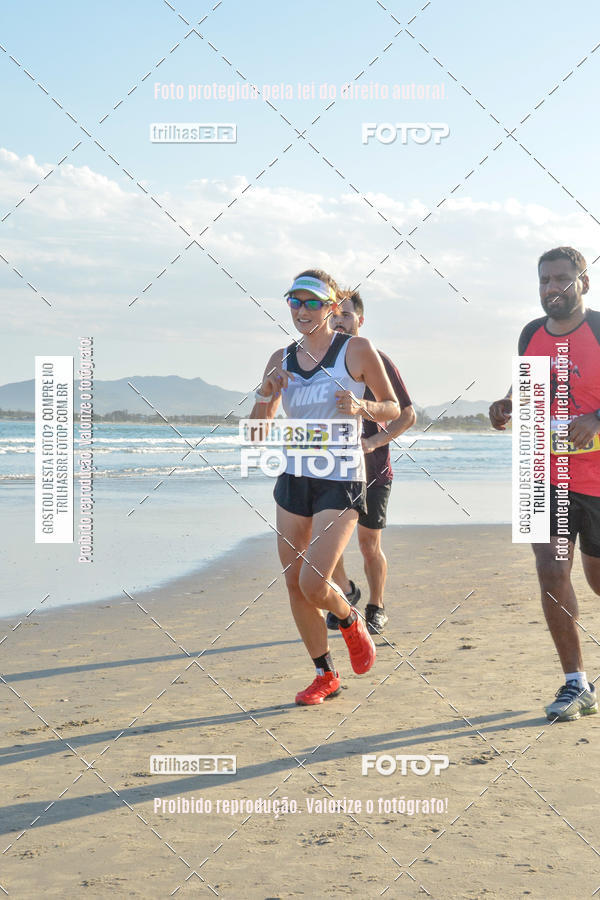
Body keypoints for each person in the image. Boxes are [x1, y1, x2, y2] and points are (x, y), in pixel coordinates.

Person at [249, 269, 400, 705]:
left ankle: (350, 617)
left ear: (333, 307)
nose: (301, 310)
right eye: (294, 301)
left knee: (315, 583)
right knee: (294, 582)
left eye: (312, 302)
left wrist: (362, 405)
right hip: (295, 477)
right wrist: (265, 394)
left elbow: (391, 407)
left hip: (342, 477)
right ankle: (324, 674)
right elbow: (258, 433)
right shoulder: (281, 357)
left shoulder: (355, 349)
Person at [489, 246, 600, 722]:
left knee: (597, 580)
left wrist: (596, 418)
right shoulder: (530, 333)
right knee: (551, 569)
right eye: (543, 281)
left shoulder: (599, 328)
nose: (551, 288)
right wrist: (507, 404)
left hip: (597, 479)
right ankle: (576, 682)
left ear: (583, 283)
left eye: (560, 279)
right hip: (541, 468)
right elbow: (527, 386)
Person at [326, 290, 416, 634]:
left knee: (368, 545)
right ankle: (347, 593)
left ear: (360, 320)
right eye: (333, 315)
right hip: (330, 469)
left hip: (374, 470)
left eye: (346, 315)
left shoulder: (375, 359)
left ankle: (376, 606)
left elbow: (406, 414)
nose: (339, 321)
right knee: (326, 545)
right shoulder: (319, 360)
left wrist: (375, 441)